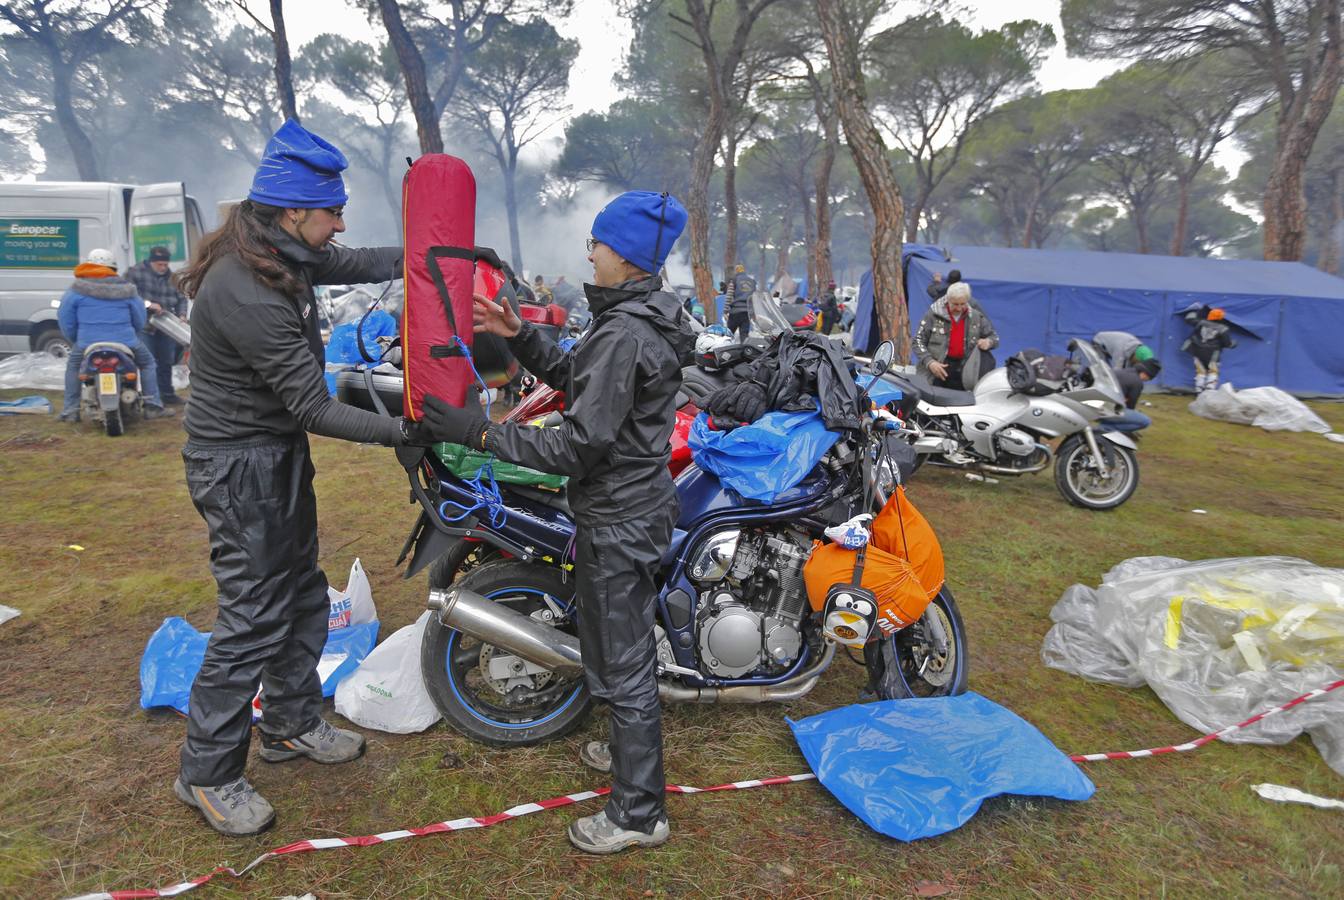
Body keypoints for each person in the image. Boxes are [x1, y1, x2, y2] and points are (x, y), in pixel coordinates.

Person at [170, 120, 453, 838]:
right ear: (293, 211)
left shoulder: (282, 252)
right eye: (330, 210)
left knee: (299, 589)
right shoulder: (245, 286)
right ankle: (205, 772)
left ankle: (292, 722)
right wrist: (403, 431)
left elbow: (357, 262)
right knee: (252, 614)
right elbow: (314, 405)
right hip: (238, 466)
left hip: (273, 454)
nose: (340, 222)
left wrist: (436, 256)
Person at [432, 190, 694, 854]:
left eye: (596, 245)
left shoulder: (629, 330)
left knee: (627, 662)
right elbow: (583, 376)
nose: (591, 256)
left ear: (626, 257)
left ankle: (639, 813)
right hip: (624, 510)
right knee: (610, 645)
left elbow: (576, 444)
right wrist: (521, 335)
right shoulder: (633, 320)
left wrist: (483, 433)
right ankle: (629, 754)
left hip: (619, 517)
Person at [56, 248, 173, 422]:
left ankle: (70, 411)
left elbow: (66, 320)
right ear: (113, 268)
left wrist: (77, 339)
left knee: (73, 368)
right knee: (148, 364)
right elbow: (139, 318)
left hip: (87, 342)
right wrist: (131, 333)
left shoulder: (75, 290)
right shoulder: (127, 289)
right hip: (125, 341)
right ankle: (153, 406)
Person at [126, 245, 189, 405]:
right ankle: (151, 400)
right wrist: (148, 304)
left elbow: (181, 297)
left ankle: (167, 394)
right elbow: (126, 294)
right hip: (144, 326)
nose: (163, 268)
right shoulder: (135, 272)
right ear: (151, 262)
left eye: (165, 264)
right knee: (149, 363)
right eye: (159, 264)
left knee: (166, 362)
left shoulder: (172, 277)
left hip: (166, 326)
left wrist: (182, 314)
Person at [914, 282, 998, 390]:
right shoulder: (933, 314)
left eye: (963, 304)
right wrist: (930, 362)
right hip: (935, 372)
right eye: (955, 304)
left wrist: (988, 342)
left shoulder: (976, 316)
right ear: (947, 300)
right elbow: (918, 340)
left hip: (963, 373)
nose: (959, 308)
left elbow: (994, 337)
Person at [1182, 306, 1236, 392]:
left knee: (1200, 371)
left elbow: (1189, 319)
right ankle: (1209, 389)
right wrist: (1234, 344)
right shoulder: (1223, 329)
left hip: (1196, 350)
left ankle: (1198, 389)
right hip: (1213, 353)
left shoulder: (1201, 322)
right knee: (1213, 371)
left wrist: (1195, 309)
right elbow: (1227, 344)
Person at [1092, 330, 1157, 372]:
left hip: (1113, 346)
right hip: (1099, 343)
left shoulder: (1138, 347)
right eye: (1138, 362)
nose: (1137, 364)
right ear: (1136, 356)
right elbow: (1117, 370)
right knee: (1104, 369)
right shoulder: (1121, 350)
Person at [726, 263, 755, 343]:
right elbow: (754, 298)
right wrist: (754, 313)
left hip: (735, 311)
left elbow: (729, 296)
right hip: (747, 313)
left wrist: (725, 311)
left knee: (728, 334)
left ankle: (725, 350)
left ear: (736, 271)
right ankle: (745, 353)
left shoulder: (735, 280)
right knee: (744, 335)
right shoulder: (752, 282)